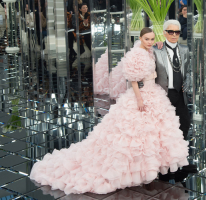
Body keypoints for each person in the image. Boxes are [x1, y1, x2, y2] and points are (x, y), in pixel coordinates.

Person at [30, 27, 189, 194]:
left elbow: (156, 53)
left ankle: (149, 166)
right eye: (146, 39)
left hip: (154, 93)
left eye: (151, 39)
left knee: (154, 132)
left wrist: (157, 44)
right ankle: (136, 168)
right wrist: (140, 99)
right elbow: (133, 80)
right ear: (140, 38)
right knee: (135, 132)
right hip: (142, 94)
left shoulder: (150, 51)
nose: (149, 42)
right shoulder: (136, 54)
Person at [138, 20, 198, 180]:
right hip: (163, 94)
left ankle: (180, 160)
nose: (173, 35)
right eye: (170, 32)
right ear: (164, 33)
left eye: (177, 32)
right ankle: (164, 164)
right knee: (165, 130)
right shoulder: (157, 50)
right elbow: (142, 62)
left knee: (184, 123)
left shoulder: (185, 49)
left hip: (181, 93)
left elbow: (189, 70)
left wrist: (187, 83)